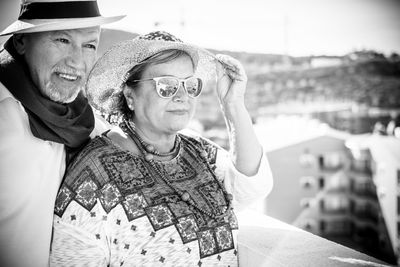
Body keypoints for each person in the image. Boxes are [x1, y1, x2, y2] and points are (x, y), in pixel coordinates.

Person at [50, 31, 273, 266]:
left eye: (189, 85)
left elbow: (250, 187)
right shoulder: (95, 172)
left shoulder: (197, 150)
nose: (181, 97)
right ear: (130, 96)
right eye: (166, 86)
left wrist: (233, 105)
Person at [0, 1, 124, 266]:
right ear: (21, 42)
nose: (77, 62)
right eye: (62, 40)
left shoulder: (86, 122)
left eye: (89, 45)